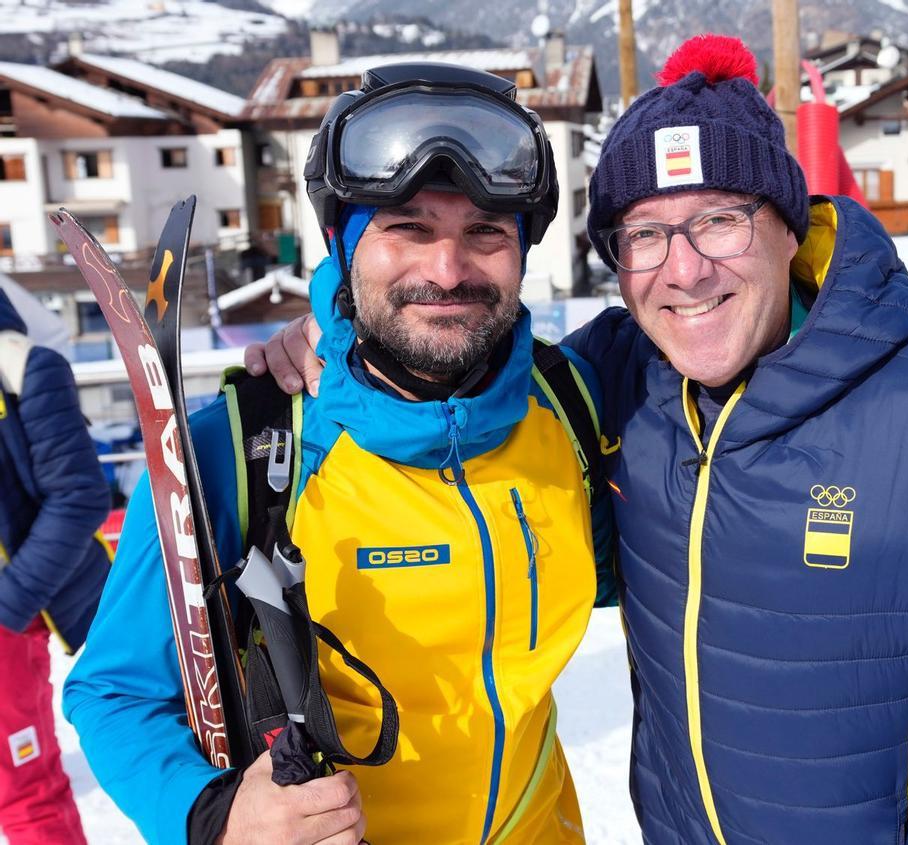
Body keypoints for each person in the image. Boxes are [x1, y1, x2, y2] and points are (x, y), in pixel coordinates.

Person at [250, 35, 908, 845]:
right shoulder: (623, 376)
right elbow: (456, 350)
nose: (685, 269)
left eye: (719, 218)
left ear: (789, 228)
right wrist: (330, 332)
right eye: (644, 233)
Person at [64, 61, 614, 845]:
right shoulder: (246, 445)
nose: (448, 269)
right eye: (408, 229)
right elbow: (113, 689)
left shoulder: (572, 408)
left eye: (485, 233)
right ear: (342, 247)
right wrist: (213, 817)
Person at [0, 286, 111, 845]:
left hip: (7, 625)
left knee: (25, 793)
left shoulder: (22, 365)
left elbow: (79, 496)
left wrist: (8, 605)